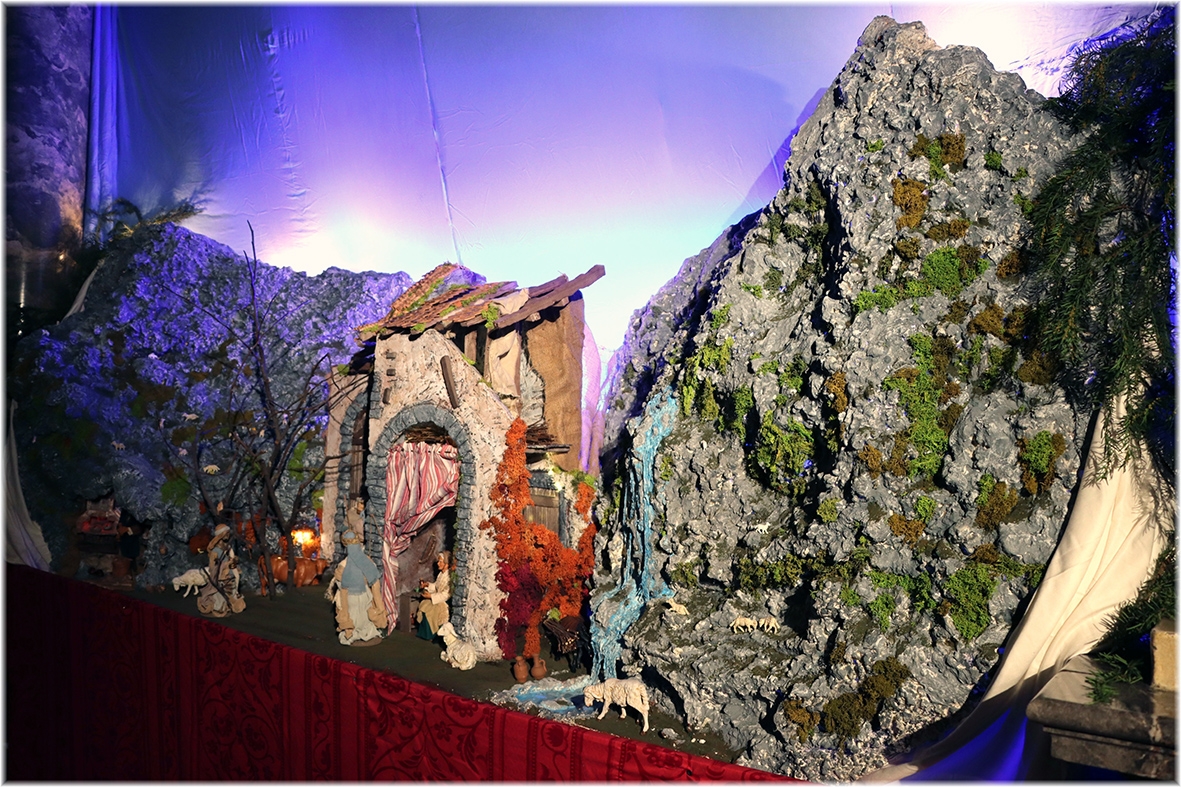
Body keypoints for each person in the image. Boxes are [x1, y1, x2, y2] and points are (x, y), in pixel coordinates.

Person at [330, 529, 386, 645]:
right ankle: (355, 633)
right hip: (353, 596)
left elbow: (340, 582)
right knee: (356, 616)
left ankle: (364, 632)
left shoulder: (345, 564)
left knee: (363, 616)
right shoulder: (364, 561)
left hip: (359, 595)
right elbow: (374, 579)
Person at [196, 523, 245, 617]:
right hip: (220, 576)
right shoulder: (215, 551)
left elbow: (232, 557)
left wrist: (234, 559)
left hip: (229, 573)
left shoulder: (227, 546)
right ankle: (221, 605)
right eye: (226, 533)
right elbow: (212, 567)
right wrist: (225, 564)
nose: (228, 535)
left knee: (233, 586)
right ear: (221, 535)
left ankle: (233, 599)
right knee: (221, 596)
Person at [416, 550, 452, 640]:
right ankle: (424, 633)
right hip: (437, 599)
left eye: (440, 562)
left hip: (443, 602)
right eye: (438, 561)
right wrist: (427, 585)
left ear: (446, 564)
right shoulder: (441, 574)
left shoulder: (449, 577)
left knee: (430, 611)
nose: (438, 563)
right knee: (424, 605)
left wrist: (431, 596)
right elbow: (436, 586)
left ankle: (432, 634)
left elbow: (446, 594)